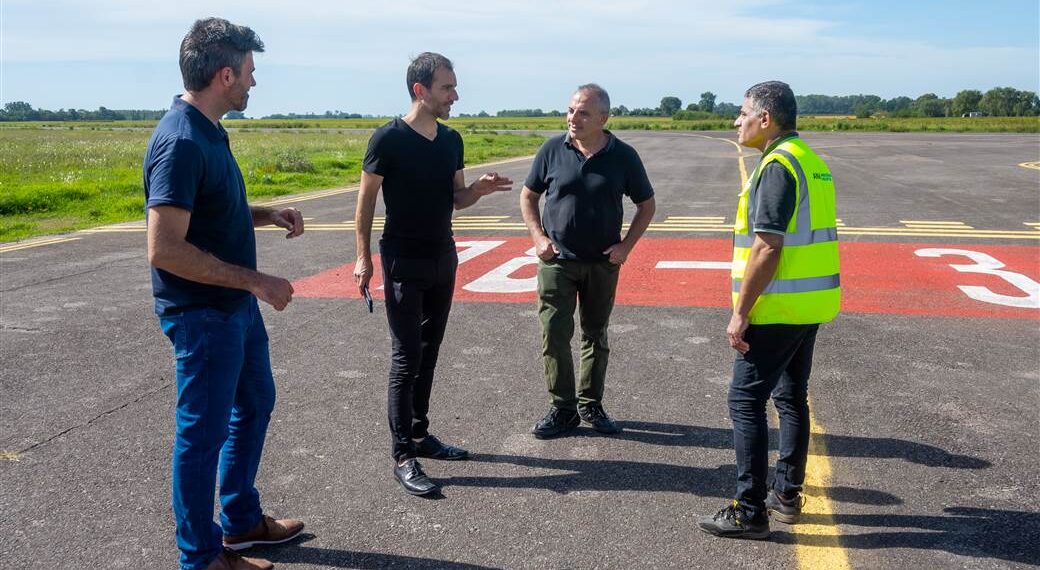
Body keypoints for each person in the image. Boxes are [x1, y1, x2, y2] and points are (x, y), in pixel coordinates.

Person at [144, 18, 306, 570]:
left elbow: (208, 217)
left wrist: (264, 213)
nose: (254, 85)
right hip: (203, 315)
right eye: (250, 73)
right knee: (202, 436)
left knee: (255, 404)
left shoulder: (211, 130)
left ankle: (239, 523)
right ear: (225, 74)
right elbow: (165, 248)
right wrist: (258, 281)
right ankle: (201, 556)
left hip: (232, 309)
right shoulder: (181, 141)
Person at [353, 52, 513, 497]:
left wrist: (476, 191)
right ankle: (402, 452)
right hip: (403, 258)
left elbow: (457, 199)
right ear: (420, 90)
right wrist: (362, 258)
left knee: (430, 349)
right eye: (447, 87)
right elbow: (365, 204)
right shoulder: (387, 139)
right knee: (405, 357)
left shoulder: (451, 140)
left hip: (444, 255)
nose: (455, 95)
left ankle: (421, 434)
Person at [698, 81, 841, 540]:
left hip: (777, 306)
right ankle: (787, 492)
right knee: (790, 397)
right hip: (809, 303)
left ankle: (750, 509)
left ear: (765, 119)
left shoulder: (777, 165)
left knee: (745, 401)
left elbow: (767, 245)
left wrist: (741, 311)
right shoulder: (810, 160)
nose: (736, 122)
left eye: (742, 114)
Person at [520, 84, 656, 439]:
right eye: (569, 110)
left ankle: (590, 404)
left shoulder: (623, 156)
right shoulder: (552, 149)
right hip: (557, 261)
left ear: (603, 118)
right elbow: (528, 196)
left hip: (601, 263)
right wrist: (538, 237)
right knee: (554, 333)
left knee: (595, 334)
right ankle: (562, 409)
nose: (572, 118)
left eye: (582, 113)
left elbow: (646, 205)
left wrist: (626, 246)